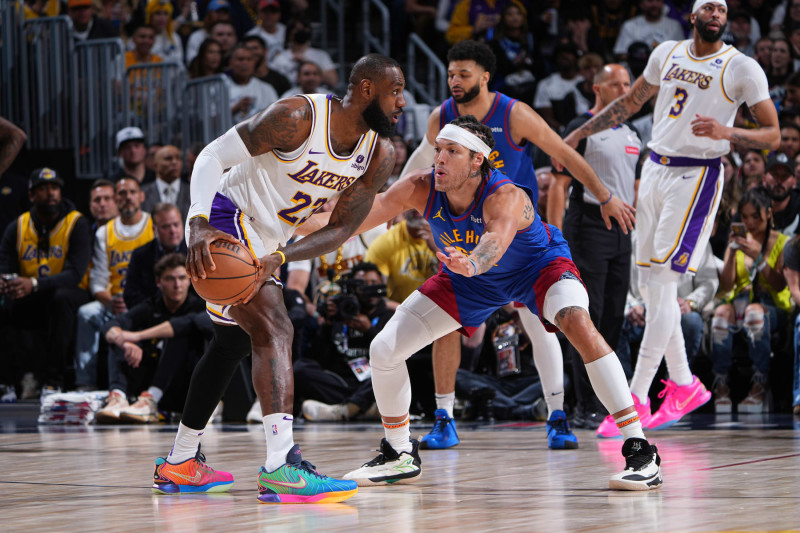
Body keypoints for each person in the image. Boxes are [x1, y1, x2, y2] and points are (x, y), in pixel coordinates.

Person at [339, 116, 660, 491]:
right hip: (470, 279)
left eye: (451, 152)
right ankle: (399, 454)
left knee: (576, 322)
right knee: (384, 348)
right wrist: (287, 226)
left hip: (537, 267)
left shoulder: (507, 195)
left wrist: (472, 262)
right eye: (438, 150)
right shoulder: (420, 187)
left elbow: (495, 241)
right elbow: (350, 220)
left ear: (477, 160)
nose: (438, 159)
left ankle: (640, 449)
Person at [150, 54, 406, 504]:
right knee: (277, 327)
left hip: (269, 241)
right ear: (367, 89)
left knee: (231, 344)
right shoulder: (297, 118)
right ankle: (280, 465)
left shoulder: (378, 154)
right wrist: (197, 222)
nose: (402, 102)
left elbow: (342, 229)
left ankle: (181, 461)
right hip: (228, 218)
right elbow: (212, 155)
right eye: (396, 90)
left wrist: (285, 253)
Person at [398, 40, 634, 450]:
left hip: (517, 236)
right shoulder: (443, 116)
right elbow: (421, 159)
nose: (455, 81)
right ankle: (444, 417)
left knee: (543, 323)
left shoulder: (514, 114)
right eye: (451, 73)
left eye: (464, 74)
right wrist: (403, 206)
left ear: (485, 77)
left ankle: (557, 416)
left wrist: (605, 194)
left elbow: (565, 154)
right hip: (460, 234)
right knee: (444, 322)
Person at [561, 0, 780, 431]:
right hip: (655, 168)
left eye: (723, 9)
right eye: (709, 8)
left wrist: (727, 132)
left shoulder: (742, 67)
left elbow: (772, 133)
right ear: (694, 15)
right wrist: (579, 133)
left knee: (662, 281)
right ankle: (682, 383)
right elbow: (629, 102)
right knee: (651, 286)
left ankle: (637, 398)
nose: (717, 14)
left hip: (697, 175)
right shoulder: (667, 54)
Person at [547, 63, 643, 430]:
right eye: (616, 84)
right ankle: (585, 404)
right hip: (587, 224)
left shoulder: (632, 130)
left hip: (623, 229)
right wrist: (553, 240)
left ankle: (609, 404)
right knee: (589, 316)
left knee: (615, 318)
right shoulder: (579, 128)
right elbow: (558, 185)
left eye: (627, 84)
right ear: (597, 88)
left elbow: (631, 187)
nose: (623, 90)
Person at [0, 168, 92, 395]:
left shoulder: (76, 222)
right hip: (32, 291)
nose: (51, 193)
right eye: (43, 189)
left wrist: (34, 283)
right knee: (4, 305)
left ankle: (54, 380)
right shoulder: (18, 226)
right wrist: (4, 282)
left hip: (73, 293)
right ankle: (9, 381)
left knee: (60, 300)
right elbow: (4, 263)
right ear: (31, 195)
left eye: (55, 188)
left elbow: (75, 274)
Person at [98, 253, 211, 423]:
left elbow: (182, 324)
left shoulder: (200, 305)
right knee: (118, 340)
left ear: (190, 280)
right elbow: (112, 325)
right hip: (152, 377)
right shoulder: (152, 305)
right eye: (170, 279)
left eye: (182, 278)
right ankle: (118, 397)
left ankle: (151, 400)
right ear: (159, 282)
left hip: (187, 384)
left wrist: (137, 336)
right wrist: (124, 341)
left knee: (178, 336)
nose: (177, 285)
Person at [711, 188, 791, 414]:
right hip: (739, 302)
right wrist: (731, 253)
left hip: (773, 307)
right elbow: (727, 286)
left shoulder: (781, 242)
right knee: (719, 316)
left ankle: (760, 383)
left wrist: (759, 258)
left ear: (768, 214)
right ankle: (721, 384)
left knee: (755, 313)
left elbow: (779, 285)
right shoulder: (738, 241)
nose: (750, 223)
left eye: (755, 217)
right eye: (745, 217)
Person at [74, 178, 154, 390]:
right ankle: (85, 383)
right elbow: (97, 282)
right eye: (121, 193)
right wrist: (110, 302)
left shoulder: (153, 226)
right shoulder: (104, 233)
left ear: (141, 196)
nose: (127, 197)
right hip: (115, 303)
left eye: (132, 192)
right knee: (86, 313)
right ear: (116, 200)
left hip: (147, 303)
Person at [298, 262, 393, 421]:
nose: (369, 288)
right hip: (341, 382)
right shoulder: (341, 312)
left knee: (394, 370)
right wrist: (328, 324)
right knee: (301, 368)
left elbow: (391, 355)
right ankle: (363, 408)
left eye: (373, 283)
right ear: (353, 288)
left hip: (372, 381)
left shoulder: (389, 316)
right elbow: (318, 359)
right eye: (363, 284)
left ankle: (348, 409)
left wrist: (369, 331)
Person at [124, 202, 187, 308]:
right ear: (154, 229)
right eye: (166, 227)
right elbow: (131, 296)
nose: (173, 231)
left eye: (176, 225)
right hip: (152, 316)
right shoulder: (140, 255)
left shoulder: (195, 252)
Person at [224, 44, 279, 123]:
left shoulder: (267, 89)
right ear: (231, 63)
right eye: (240, 59)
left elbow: (277, 117)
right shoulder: (220, 88)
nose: (245, 63)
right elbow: (209, 121)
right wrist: (234, 109)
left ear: (254, 63)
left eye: (249, 59)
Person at [141, 145, 191, 219]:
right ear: (155, 165)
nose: (174, 162)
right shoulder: (142, 193)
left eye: (178, 158)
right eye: (168, 159)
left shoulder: (193, 192)